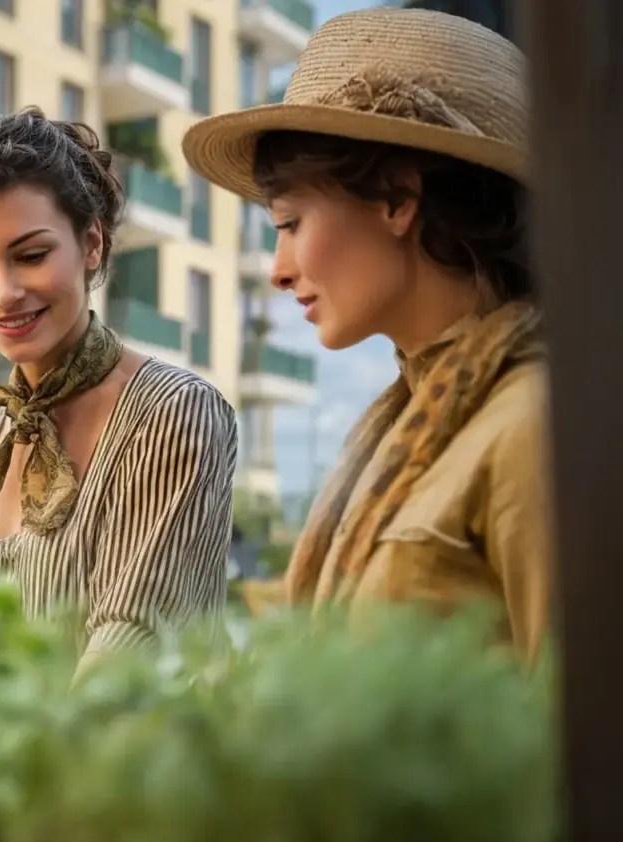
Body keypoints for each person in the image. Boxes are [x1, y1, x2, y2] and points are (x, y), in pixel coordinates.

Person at [181, 8, 548, 658]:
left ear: (396, 199)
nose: (278, 272)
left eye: (290, 224)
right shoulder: (401, 428)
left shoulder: (533, 426)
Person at [0, 108, 238, 673]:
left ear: (92, 244)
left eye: (30, 256)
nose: (2, 293)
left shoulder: (174, 411)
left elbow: (133, 642)